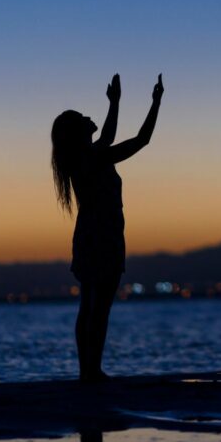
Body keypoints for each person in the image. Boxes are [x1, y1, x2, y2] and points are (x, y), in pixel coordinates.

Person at [51, 73, 164, 382]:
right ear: (77, 133)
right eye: (83, 118)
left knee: (89, 305)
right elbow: (141, 140)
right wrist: (156, 103)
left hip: (93, 235)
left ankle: (87, 370)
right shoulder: (94, 157)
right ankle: (91, 371)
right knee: (98, 309)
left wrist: (115, 102)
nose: (90, 118)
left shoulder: (87, 157)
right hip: (103, 237)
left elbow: (109, 136)